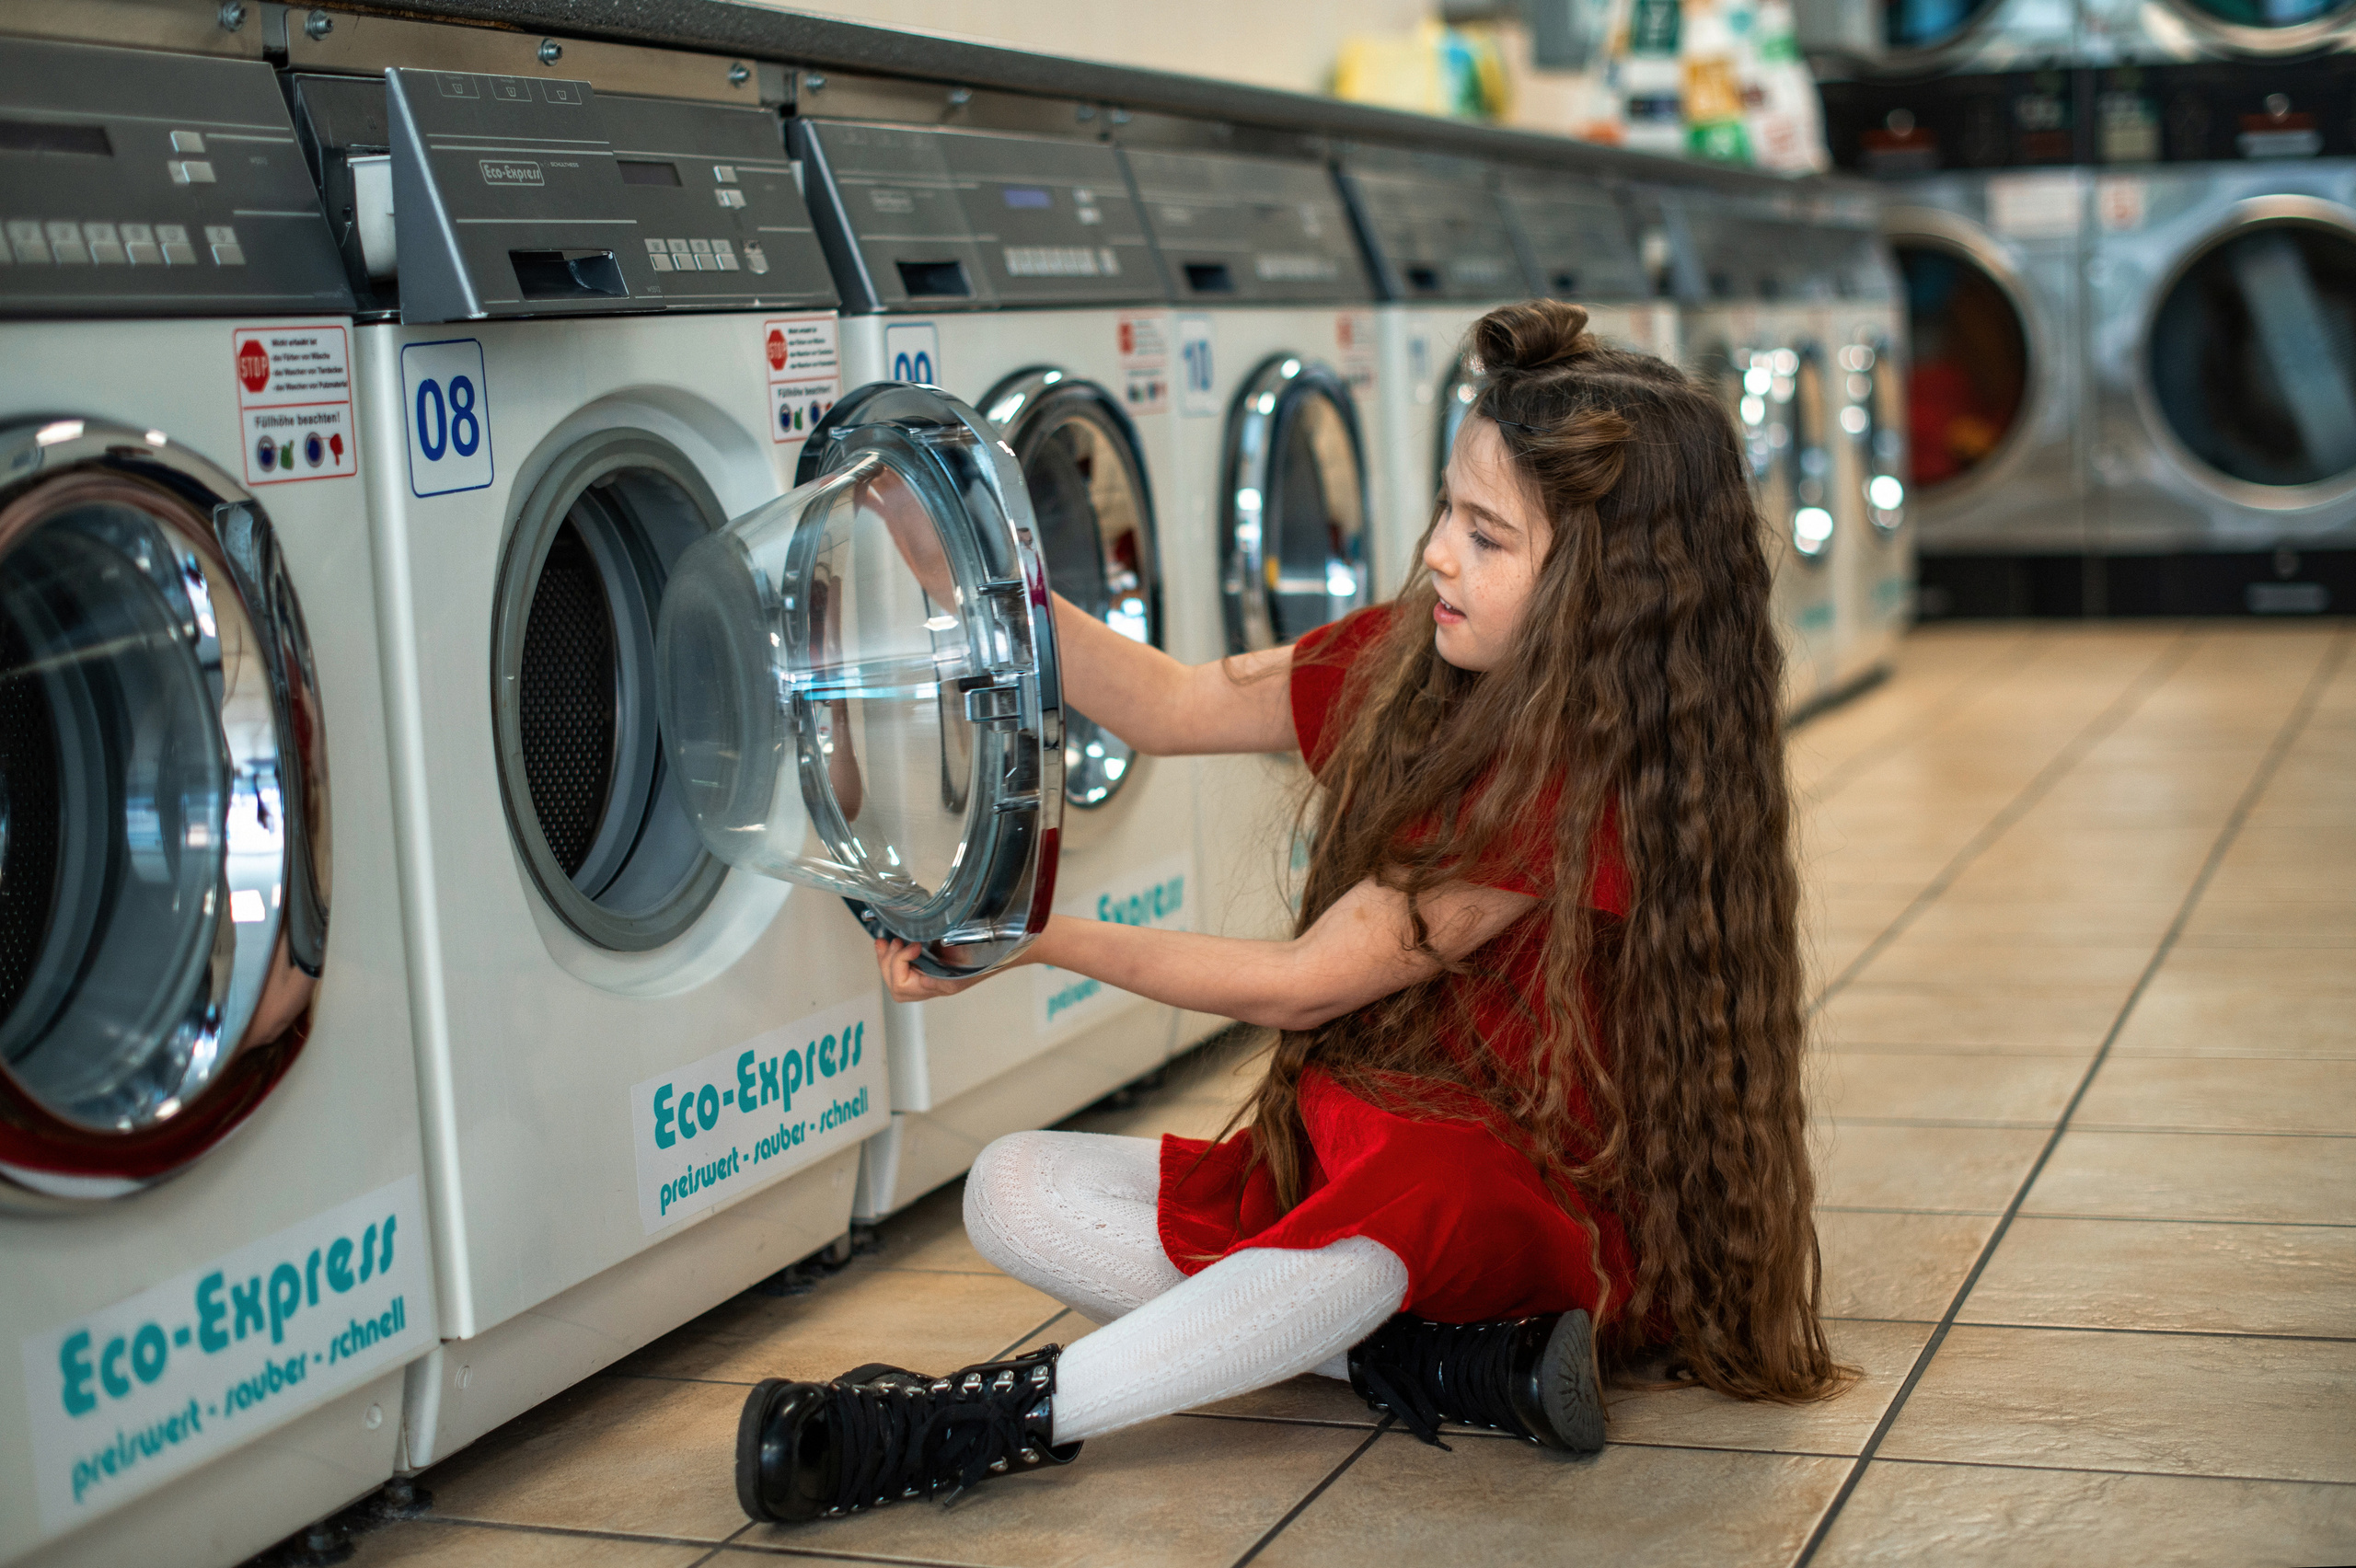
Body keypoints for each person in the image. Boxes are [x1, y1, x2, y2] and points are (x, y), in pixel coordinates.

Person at [733, 299, 1847, 1526]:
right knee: (1007, 1187)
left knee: (1402, 1209)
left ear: (1600, 589)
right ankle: (1430, 1362)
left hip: (1533, 1196)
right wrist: (959, 569)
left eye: (1484, 536)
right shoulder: (1420, 650)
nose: (1435, 555)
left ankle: (986, 1419)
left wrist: (1032, 933)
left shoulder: (1583, 782)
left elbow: (1304, 984)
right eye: (1445, 512)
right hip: (1370, 1129)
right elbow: (1170, 700)